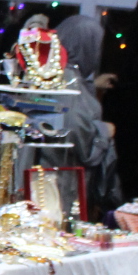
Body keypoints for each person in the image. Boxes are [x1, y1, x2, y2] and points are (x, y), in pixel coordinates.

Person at [56, 15, 123, 215]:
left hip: (49, 180)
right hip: (64, 186)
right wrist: (103, 132)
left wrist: (91, 86)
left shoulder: (56, 76)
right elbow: (75, 133)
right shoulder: (68, 81)